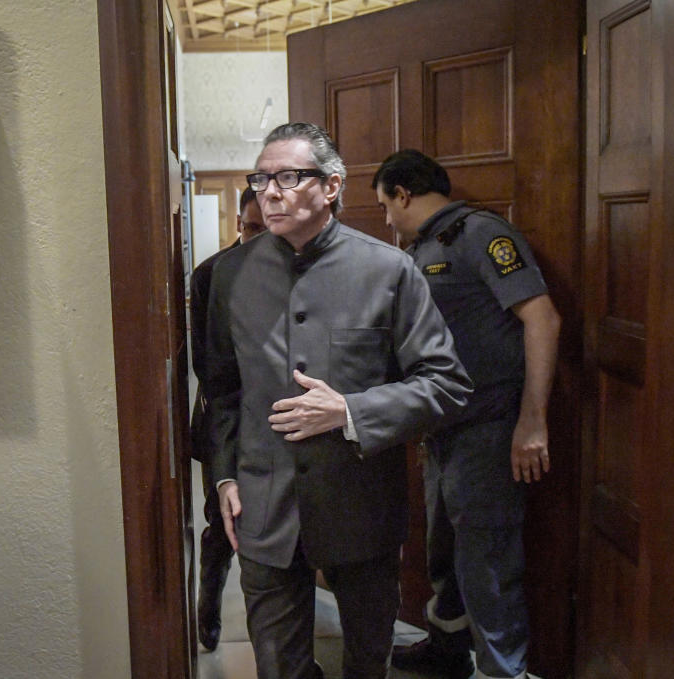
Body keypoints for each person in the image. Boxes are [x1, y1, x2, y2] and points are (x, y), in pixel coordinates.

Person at [204, 123, 473, 679]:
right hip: (263, 504)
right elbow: (222, 391)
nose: (268, 191)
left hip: (361, 505)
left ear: (331, 187)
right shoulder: (227, 275)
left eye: (287, 176)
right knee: (279, 665)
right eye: (261, 178)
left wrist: (350, 411)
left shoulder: (388, 270)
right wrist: (226, 477)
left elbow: (446, 382)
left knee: (367, 660)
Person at [372, 149, 561, 679]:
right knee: (442, 555)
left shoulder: (482, 235)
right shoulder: (422, 249)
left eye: (386, 206)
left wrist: (533, 420)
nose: (387, 221)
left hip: (490, 429)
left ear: (403, 194)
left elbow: (542, 320)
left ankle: (505, 672)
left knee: (488, 563)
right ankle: (447, 649)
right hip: (442, 431)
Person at [190, 187, 267, 652]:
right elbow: (205, 361)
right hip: (223, 415)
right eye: (251, 227)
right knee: (219, 525)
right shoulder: (210, 274)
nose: (259, 238)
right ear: (239, 222)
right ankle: (208, 609)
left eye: (267, 229)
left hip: (276, 419)